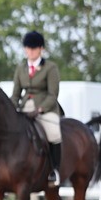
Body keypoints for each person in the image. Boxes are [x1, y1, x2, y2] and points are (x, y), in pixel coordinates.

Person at [10, 30, 62, 186]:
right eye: (28, 48)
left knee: (54, 134)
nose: (30, 51)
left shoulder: (50, 68)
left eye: (33, 48)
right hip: (24, 106)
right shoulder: (20, 68)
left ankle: (54, 170)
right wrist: (11, 110)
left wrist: (39, 110)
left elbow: (53, 95)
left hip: (46, 107)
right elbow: (15, 94)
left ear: (41, 49)